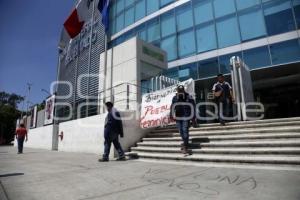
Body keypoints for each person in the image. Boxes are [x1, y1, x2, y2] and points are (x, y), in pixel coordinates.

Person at [170, 85, 196, 154]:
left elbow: (193, 106)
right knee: (181, 131)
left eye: (182, 90)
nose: (180, 91)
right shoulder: (175, 98)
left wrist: (193, 117)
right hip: (178, 117)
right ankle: (186, 143)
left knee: (185, 130)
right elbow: (172, 107)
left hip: (186, 116)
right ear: (177, 91)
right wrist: (171, 115)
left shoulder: (188, 96)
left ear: (184, 90)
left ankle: (185, 146)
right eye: (179, 90)